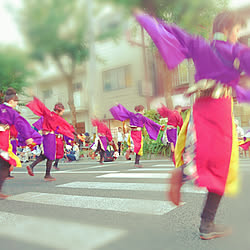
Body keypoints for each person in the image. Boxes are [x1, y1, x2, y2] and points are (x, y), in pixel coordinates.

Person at [135, 9, 250, 240]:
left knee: (204, 155)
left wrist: (145, 19)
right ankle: (206, 223)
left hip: (199, 110)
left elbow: (173, 33)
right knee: (223, 167)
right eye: (237, 30)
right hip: (220, 110)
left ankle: (185, 175)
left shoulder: (200, 45)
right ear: (227, 29)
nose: (238, 35)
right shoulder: (237, 50)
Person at [26, 97, 76, 181]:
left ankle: (34, 167)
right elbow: (67, 126)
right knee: (50, 156)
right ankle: (46, 174)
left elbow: (41, 106)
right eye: (62, 111)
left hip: (48, 136)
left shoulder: (48, 114)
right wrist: (75, 134)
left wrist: (35, 98)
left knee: (46, 155)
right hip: (50, 137)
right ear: (59, 110)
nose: (62, 113)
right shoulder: (57, 118)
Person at [0, 88, 35, 198]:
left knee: (5, 163)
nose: (16, 104)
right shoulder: (11, 112)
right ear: (11, 101)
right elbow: (21, 124)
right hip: (2, 140)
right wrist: (28, 137)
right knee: (5, 164)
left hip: (4, 140)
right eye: (16, 102)